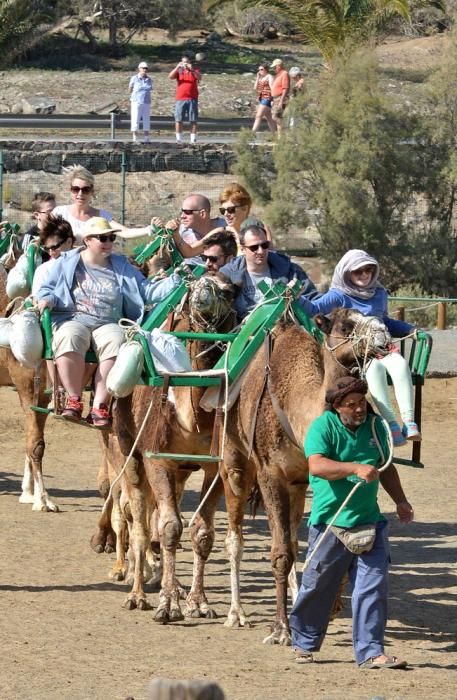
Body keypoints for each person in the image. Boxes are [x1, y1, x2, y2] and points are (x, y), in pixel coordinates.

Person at [289, 376, 413, 669]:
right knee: (317, 586)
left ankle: (371, 652)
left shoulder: (374, 427)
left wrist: (401, 501)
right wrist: (353, 468)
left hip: (371, 522)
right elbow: (316, 465)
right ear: (337, 407)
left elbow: (386, 465)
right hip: (330, 523)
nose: (359, 410)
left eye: (362, 403)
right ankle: (304, 643)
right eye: (352, 405)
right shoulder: (323, 427)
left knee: (373, 587)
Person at [36, 217, 171, 429]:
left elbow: (146, 291)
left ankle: (100, 404)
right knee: (69, 336)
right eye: (102, 238)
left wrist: (176, 281)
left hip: (109, 320)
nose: (108, 242)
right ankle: (73, 397)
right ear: (88, 240)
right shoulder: (68, 261)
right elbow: (47, 288)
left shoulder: (121, 265)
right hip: (73, 316)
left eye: (111, 237)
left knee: (117, 341)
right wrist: (47, 299)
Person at [298, 249, 421, 446]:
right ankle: (392, 425)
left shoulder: (378, 293)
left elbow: (385, 321)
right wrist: (297, 297)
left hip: (381, 345)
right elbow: (314, 309)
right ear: (347, 273)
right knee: (375, 373)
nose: (365, 275)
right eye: (358, 272)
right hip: (359, 354)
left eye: (368, 270)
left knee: (400, 365)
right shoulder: (339, 295)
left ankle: (409, 422)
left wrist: (411, 329)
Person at [219, 221, 318, 320]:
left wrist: (298, 299)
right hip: (243, 331)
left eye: (264, 245)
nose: (260, 251)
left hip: (284, 327)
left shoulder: (290, 271)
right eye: (254, 247)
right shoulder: (228, 274)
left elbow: (315, 302)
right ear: (243, 249)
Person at [53, 165, 150, 245]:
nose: (80, 194)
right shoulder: (59, 213)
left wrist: (149, 229)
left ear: (92, 191)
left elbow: (125, 232)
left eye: (86, 189)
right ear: (70, 190)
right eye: (76, 189)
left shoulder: (101, 216)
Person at [32, 215, 75, 296]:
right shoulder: (43, 270)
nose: (51, 253)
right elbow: (37, 299)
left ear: (69, 242)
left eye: (54, 247)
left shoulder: (85, 265)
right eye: (47, 248)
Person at [169, 54, 201, 144]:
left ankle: (193, 139)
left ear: (189, 63)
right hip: (180, 98)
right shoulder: (179, 71)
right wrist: (177, 67)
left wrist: (192, 70)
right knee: (178, 119)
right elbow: (170, 77)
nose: (185, 64)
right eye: (183, 62)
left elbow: (199, 77)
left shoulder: (195, 70)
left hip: (192, 98)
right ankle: (179, 139)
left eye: (186, 62)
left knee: (193, 120)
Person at [129, 61, 153, 143]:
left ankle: (146, 137)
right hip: (136, 101)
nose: (145, 70)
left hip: (146, 101)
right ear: (139, 69)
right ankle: (135, 137)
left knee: (146, 119)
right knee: (135, 118)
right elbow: (130, 89)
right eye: (143, 68)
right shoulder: (134, 78)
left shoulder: (149, 79)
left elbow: (149, 89)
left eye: (146, 68)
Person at [252, 63, 275, 134]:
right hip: (262, 99)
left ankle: (252, 134)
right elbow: (255, 88)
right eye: (259, 70)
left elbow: (272, 88)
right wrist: (257, 78)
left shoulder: (269, 77)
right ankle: (274, 135)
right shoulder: (261, 78)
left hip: (267, 98)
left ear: (266, 70)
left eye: (262, 69)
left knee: (258, 116)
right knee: (269, 119)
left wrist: (273, 99)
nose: (260, 71)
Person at [270, 58, 290, 136]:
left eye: (275, 67)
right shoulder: (278, 75)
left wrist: (281, 100)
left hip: (280, 98)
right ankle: (280, 138)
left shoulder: (284, 74)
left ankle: (286, 130)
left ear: (279, 66)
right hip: (275, 99)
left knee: (275, 116)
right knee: (278, 117)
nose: (274, 69)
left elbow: (285, 88)